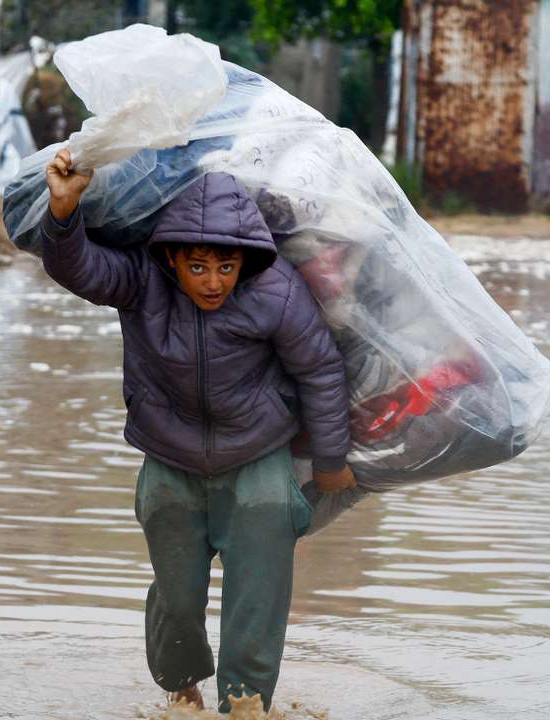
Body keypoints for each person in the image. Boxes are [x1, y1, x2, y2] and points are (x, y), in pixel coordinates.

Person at [40, 148, 356, 712]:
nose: (214, 282)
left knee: (257, 596)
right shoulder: (141, 281)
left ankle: (246, 704)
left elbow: (320, 370)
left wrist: (331, 460)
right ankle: (181, 693)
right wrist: (63, 213)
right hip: (169, 458)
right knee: (177, 597)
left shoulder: (277, 290)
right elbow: (78, 268)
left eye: (227, 267)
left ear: (247, 261)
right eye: (198, 267)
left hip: (257, 458)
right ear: (171, 260)